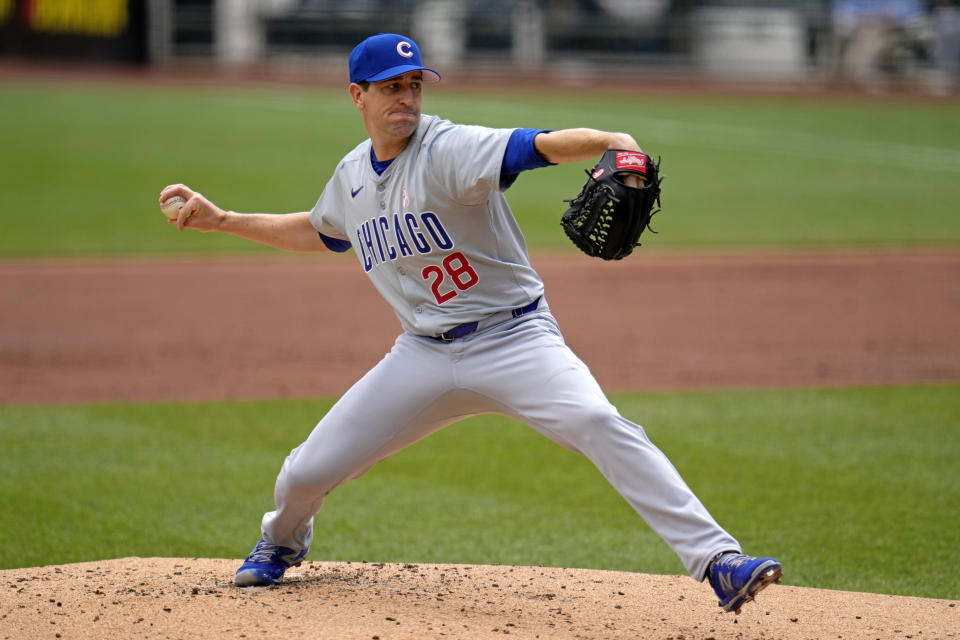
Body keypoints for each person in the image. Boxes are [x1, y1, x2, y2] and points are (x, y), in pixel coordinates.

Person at [158, 33, 782, 614]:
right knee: (304, 472)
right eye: (390, 87)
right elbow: (322, 231)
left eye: (414, 85)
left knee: (597, 421)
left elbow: (535, 146)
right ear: (358, 96)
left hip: (517, 340)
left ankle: (718, 560)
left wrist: (608, 140)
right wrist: (225, 220)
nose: (406, 98)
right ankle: (283, 543)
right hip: (421, 356)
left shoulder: (448, 148)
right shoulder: (351, 176)